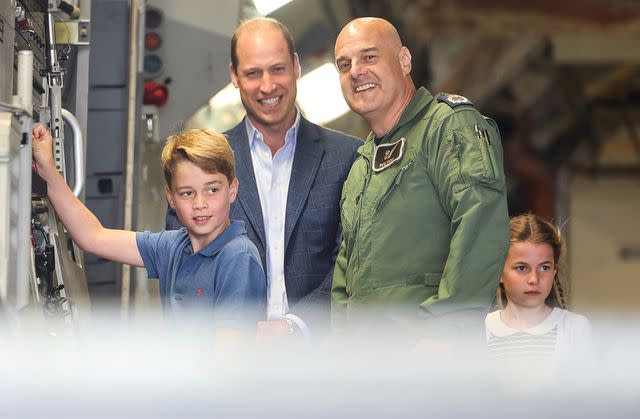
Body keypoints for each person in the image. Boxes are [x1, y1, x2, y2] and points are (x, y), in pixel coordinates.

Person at [166, 18, 361, 339]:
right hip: (228, 357)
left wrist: (295, 329)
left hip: (319, 359)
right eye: (253, 73)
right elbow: (184, 270)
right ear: (234, 76)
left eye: (278, 69)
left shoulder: (347, 157)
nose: (268, 86)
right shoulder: (199, 164)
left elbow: (351, 262)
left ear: (296, 66)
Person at [331, 17, 510, 338]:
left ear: (404, 61)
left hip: (427, 356)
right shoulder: (362, 163)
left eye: (369, 57)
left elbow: (480, 226)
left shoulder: (447, 127)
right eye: (344, 64)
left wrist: (446, 328)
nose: (355, 71)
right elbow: (346, 268)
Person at [32, 124, 266, 338]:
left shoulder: (237, 257)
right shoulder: (173, 246)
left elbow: (229, 363)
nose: (200, 203)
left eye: (212, 190)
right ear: (171, 198)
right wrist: (48, 168)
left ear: (232, 190)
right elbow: (93, 236)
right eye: (187, 193)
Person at [485, 213, 595, 375]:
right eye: (522, 268)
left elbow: (588, 394)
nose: (534, 279)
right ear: (499, 272)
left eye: (544, 267)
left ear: (554, 271)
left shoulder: (574, 328)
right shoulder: (480, 328)